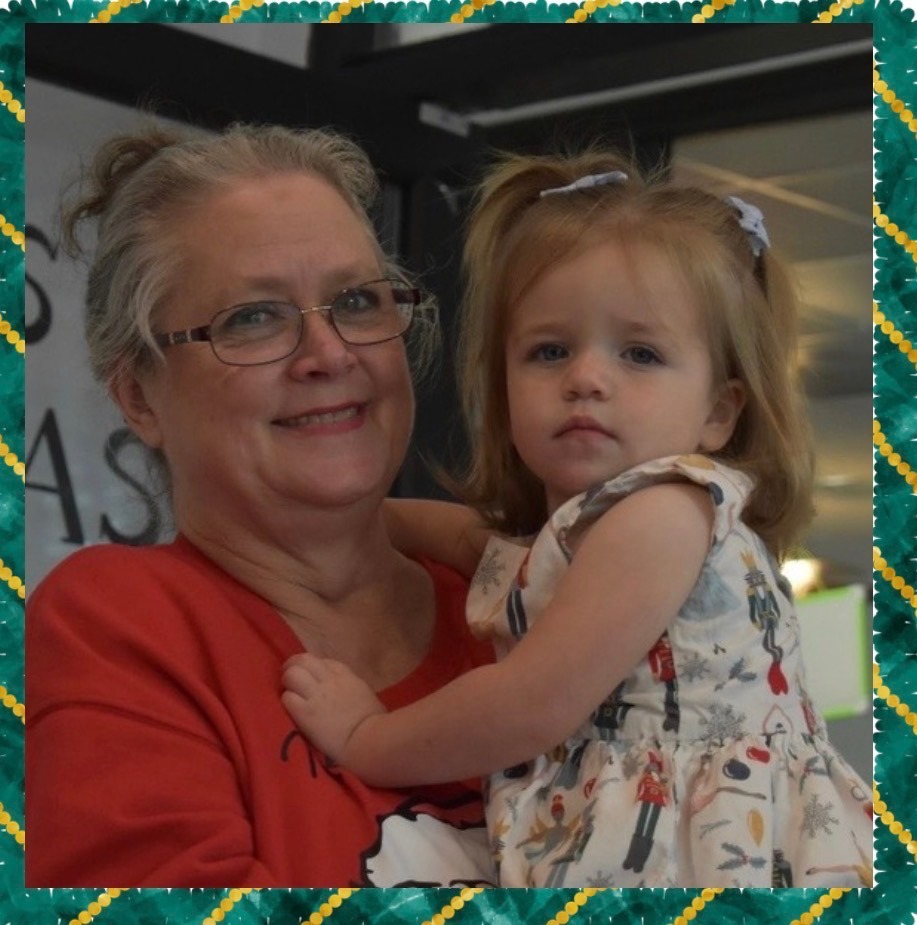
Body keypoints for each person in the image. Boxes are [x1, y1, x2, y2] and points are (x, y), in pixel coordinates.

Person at [281, 151, 873, 888]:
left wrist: (367, 736)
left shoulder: (664, 511)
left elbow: (531, 702)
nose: (585, 377)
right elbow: (479, 545)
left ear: (718, 412)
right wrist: (353, 514)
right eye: (550, 350)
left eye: (640, 354)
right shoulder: (597, 527)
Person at [25, 123, 497, 888]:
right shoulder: (118, 624)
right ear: (139, 396)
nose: (330, 354)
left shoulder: (523, 606)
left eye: (356, 300)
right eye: (253, 317)